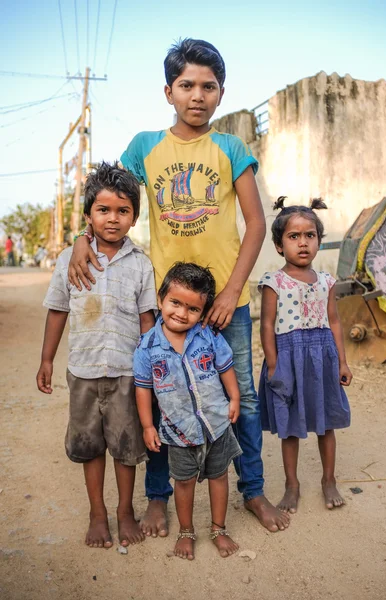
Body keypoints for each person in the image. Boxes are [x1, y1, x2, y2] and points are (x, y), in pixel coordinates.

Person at [68, 38, 290, 534]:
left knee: (243, 399)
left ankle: (251, 491)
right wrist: (83, 236)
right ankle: (156, 497)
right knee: (167, 397)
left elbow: (255, 224)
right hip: (168, 306)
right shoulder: (146, 147)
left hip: (223, 304)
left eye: (208, 87)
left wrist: (233, 292)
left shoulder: (231, 148)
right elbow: (108, 194)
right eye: (186, 85)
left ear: (221, 93)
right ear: (168, 91)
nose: (197, 95)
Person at [36, 162, 158, 549]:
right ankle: (97, 513)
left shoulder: (140, 264)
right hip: (84, 371)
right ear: (89, 215)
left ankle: (125, 511)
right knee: (90, 446)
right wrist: (46, 360)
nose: (113, 218)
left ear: (134, 217)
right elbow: (58, 309)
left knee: (125, 447)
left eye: (123, 211)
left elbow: (147, 320)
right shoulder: (70, 260)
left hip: (126, 372)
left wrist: (154, 370)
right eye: (103, 210)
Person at [134, 262, 242, 560]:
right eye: (175, 303)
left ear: (202, 312)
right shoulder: (147, 347)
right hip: (177, 431)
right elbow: (142, 389)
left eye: (192, 309)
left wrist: (234, 398)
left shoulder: (208, 336)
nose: (181, 313)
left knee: (219, 476)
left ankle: (218, 529)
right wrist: (147, 426)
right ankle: (186, 531)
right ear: (160, 300)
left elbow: (226, 368)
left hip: (216, 423)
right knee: (183, 482)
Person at [258, 196, 352, 514]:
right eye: (293, 236)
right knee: (291, 427)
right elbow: (267, 326)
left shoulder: (326, 281)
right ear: (279, 245)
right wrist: (273, 367)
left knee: (327, 424)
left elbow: (335, 322)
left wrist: (342, 361)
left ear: (318, 241)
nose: (302, 243)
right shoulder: (273, 282)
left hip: (321, 359)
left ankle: (329, 481)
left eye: (309, 235)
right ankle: (292, 486)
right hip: (288, 360)